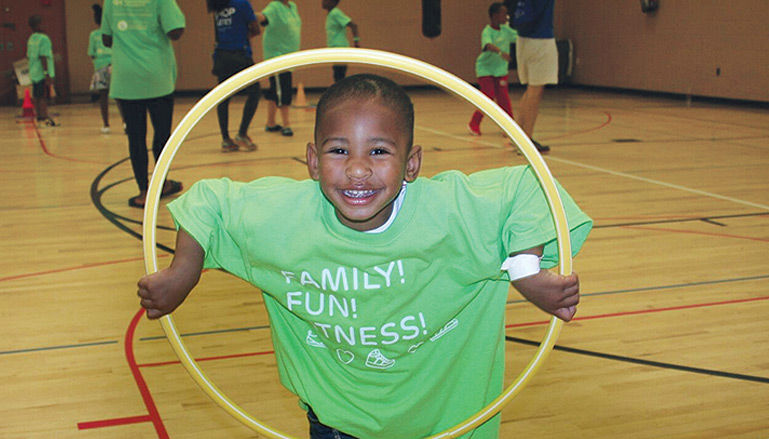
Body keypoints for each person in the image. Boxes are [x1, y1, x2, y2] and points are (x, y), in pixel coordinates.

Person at [137, 74, 592, 438]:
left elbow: (530, 185)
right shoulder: (285, 216)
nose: (357, 169)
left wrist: (524, 269)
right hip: (338, 425)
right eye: (339, 151)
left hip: (451, 424)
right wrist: (183, 272)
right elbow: (207, 202)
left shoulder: (449, 212)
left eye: (379, 151)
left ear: (411, 163)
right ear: (313, 161)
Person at [101, 0, 186, 208]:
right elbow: (176, 30)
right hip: (156, 76)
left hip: (126, 77)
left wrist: (129, 35)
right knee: (162, 134)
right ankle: (161, 183)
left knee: (136, 136)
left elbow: (106, 38)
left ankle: (143, 192)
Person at [208, 0, 262, 153]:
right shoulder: (242, 3)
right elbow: (255, 29)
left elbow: (218, 34)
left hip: (222, 56)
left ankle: (226, 140)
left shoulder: (216, 5)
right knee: (254, 92)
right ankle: (242, 133)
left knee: (223, 98)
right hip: (240, 55)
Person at [508, 0, 557, 153]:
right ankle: (526, 141)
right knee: (535, 91)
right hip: (540, 40)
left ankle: (519, 137)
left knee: (530, 89)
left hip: (523, 40)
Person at [468, 3, 516, 137]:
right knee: (488, 97)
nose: (506, 16)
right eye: (503, 13)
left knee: (503, 98)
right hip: (485, 69)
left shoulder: (506, 30)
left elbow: (519, 37)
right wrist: (501, 53)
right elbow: (488, 45)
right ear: (495, 16)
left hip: (500, 70)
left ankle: (510, 127)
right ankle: (474, 123)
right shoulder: (487, 31)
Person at [258, 0, 301, 137]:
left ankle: (270, 123)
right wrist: (247, 14)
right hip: (277, 56)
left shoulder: (292, 6)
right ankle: (286, 124)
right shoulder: (274, 6)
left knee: (274, 91)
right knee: (283, 90)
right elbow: (263, 17)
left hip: (289, 56)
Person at [26, 15, 57, 126]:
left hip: (34, 72)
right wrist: (47, 73)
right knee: (43, 96)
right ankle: (44, 118)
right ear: (38, 24)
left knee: (37, 96)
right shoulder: (44, 39)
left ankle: (39, 117)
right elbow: (43, 57)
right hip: (42, 73)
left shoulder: (31, 39)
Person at [88, 4, 114, 134]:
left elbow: (92, 53)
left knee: (103, 97)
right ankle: (125, 123)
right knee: (119, 96)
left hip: (100, 67)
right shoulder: (113, 32)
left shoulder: (93, 35)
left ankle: (106, 124)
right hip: (113, 65)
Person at [322, 0, 359, 83]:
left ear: (333, 2)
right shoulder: (331, 14)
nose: (323, 2)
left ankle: (340, 93)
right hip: (335, 48)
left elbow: (353, 25)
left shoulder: (335, 13)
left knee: (339, 75)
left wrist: (356, 42)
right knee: (338, 74)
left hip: (340, 48)